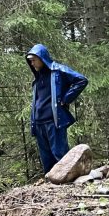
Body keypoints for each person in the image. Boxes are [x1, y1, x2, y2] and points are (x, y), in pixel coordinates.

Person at [26, 44, 89, 174]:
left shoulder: (58, 71)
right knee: (46, 159)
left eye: (33, 60)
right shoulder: (37, 78)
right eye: (30, 61)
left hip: (54, 121)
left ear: (42, 58)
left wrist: (66, 99)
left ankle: (66, 184)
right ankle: (50, 185)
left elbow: (81, 80)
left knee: (60, 155)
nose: (31, 63)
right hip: (38, 123)